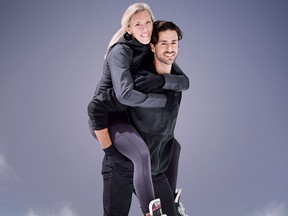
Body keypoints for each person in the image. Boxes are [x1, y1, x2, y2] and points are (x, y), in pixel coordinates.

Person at [88, 18, 189, 215]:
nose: (170, 48)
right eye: (163, 43)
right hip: (123, 166)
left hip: (154, 170)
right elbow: (96, 107)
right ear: (152, 46)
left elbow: (185, 82)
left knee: (174, 146)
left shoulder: (175, 83)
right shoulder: (138, 82)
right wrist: (110, 152)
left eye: (174, 42)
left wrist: (161, 81)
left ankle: (171, 204)